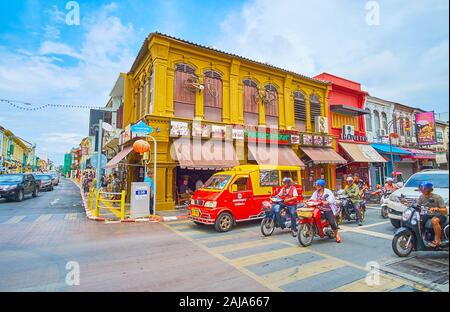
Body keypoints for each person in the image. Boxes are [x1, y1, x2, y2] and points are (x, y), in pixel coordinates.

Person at [417, 182, 448, 248]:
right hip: (429, 214)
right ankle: (422, 237)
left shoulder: (437, 197)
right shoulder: (422, 197)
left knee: (434, 221)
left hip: (440, 215)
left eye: (425, 188)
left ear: (430, 189)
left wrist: (436, 208)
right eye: (422, 188)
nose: (423, 190)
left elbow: (445, 210)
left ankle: (438, 240)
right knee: (418, 220)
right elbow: (417, 205)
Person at [310, 179, 341, 243]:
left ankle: (337, 235)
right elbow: (312, 199)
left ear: (321, 186)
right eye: (316, 185)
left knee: (332, 222)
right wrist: (308, 201)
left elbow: (331, 200)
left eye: (317, 185)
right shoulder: (315, 192)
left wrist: (325, 202)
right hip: (318, 209)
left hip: (328, 209)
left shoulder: (328, 192)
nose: (316, 186)